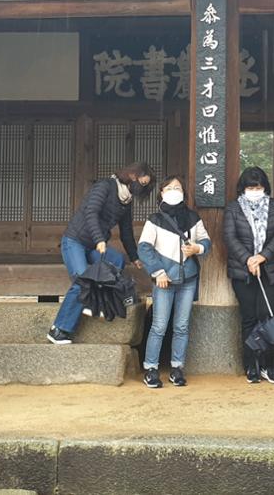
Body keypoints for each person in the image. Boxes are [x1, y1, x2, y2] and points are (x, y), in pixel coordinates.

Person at [47, 163, 152, 345]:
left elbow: (126, 232)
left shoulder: (126, 201)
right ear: (132, 176)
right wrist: (99, 239)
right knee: (83, 280)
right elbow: (91, 212)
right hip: (75, 241)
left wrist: (134, 257)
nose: (142, 187)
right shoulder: (105, 186)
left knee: (116, 260)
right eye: (142, 182)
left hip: (94, 246)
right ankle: (59, 329)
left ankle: (97, 303)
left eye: (145, 185)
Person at [137, 175, 212, 388]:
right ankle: (151, 368)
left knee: (181, 325)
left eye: (177, 187)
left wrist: (197, 248)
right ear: (161, 193)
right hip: (164, 279)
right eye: (169, 188)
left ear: (183, 193)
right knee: (159, 325)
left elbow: (206, 240)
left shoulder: (193, 217)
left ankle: (177, 368)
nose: (173, 191)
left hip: (188, 278)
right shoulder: (154, 219)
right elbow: (144, 247)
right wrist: (158, 272)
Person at [223, 166, 274, 384]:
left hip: (270, 270)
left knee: (266, 316)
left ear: (265, 187)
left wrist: (262, 257)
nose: (254, 191)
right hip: (243, 271)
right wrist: (248, 259)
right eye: (250, 188)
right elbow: (230, 237)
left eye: (258, 187)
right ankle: (251, 365)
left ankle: (269, 365)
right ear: (243, 188)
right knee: (249, 318)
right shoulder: (233, 208)